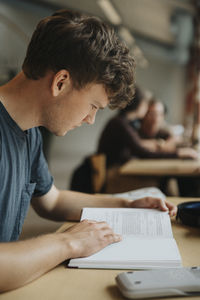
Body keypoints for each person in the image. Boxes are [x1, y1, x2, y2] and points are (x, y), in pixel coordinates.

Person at [0, 9, 177, 292]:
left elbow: (52, 201)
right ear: (61, 82)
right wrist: (68, 242)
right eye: (93, 106)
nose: (90, 120)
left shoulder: (29, 132)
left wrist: (126, 205)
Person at [97, 89, 197, 169]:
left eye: (159, 114)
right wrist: (179, 153)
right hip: (108, 172)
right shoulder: (122, 124)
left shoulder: (123, 122)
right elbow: (143, 152)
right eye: (145, 105)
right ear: (138, 105)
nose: (155, 118)